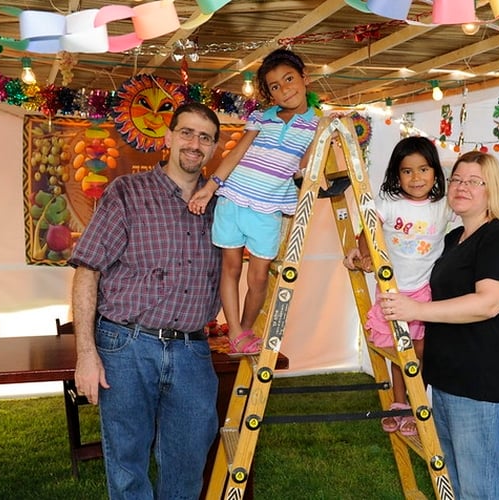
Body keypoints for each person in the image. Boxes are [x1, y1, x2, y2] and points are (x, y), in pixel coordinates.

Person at [69, 102, 223, 499]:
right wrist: (86, 353)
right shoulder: (127, 192)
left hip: (192, 349)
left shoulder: (222, 206)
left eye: (205, 138)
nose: (194, 144)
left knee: (189, 465)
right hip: (126, 345)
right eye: (187, 133)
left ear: (214, 149)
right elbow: (88, 270)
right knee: (127, 465)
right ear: (168, 138)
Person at [377, 150, 499, 500]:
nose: (462, 187)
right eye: (458, 179)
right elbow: (409, 255)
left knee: (481, 487)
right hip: (448, 380)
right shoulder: (452, 239)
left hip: (484, 383)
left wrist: (415, 309)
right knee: (454, 480)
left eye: (474, 181)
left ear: (491, 188)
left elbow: (488, 303)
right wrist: (363, 255)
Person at [188, 48, 320, 356]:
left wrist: (312, 179)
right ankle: (234, 330)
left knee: (259, 274)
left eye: (289, 79)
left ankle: (245, 329)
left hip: (268, 208)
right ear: (269, 93)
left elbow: (307, 166)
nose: (284, 89)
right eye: (275, 86)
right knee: (230, 267)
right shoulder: (262, 117)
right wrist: (210, 187)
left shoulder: (318, 124)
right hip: (232, 199)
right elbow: (236, 154)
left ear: (304, 78)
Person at [343, 136, 450, 437]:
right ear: (396, 174)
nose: (416, 178)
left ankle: (418, 404)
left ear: (435, 173)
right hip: (391, 288)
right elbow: (368, 229)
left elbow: (477, 213)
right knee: (399, 349)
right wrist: (364, 253)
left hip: (424, 291)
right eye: (407, 171)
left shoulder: (442, 205)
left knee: (420, 350)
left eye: (424, 170)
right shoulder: (390, 203)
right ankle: (399, 404)